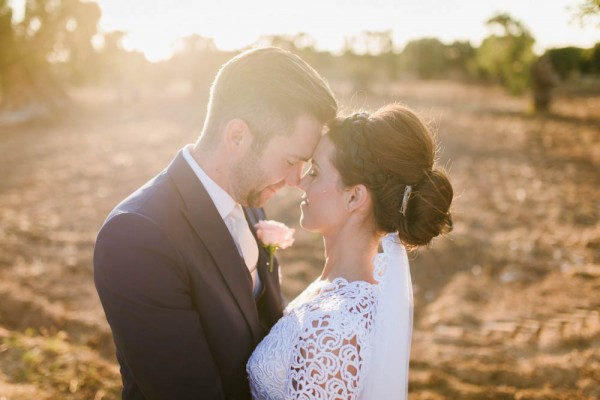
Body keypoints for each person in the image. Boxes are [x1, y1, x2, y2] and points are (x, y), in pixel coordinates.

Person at [93, 47, 337, 399]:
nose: (297, 180)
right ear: (237, 136)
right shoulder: (137, 237)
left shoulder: (249, 198)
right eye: (289, 160)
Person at [247, 104, 454, 399]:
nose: (301, 181)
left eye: (315, 172)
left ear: (354, 196)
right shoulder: (333, 291)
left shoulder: (335, 330)